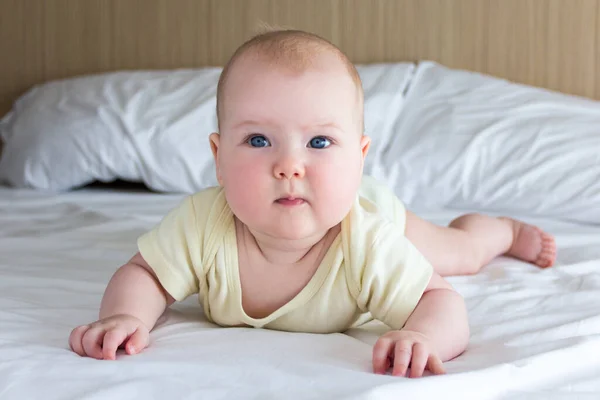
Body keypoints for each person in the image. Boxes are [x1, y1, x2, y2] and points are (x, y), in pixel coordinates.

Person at [69, 29, 556, 378]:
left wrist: (425, 337)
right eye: (259, 140)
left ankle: (500, 231)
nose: (289, 166)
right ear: (218, 158)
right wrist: (126, 316)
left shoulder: (367, 241)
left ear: (359, 158)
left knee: (460, 254)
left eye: (319, 143)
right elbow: (146, 273)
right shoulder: (203, 222)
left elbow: (440, 300)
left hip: (368, 210)